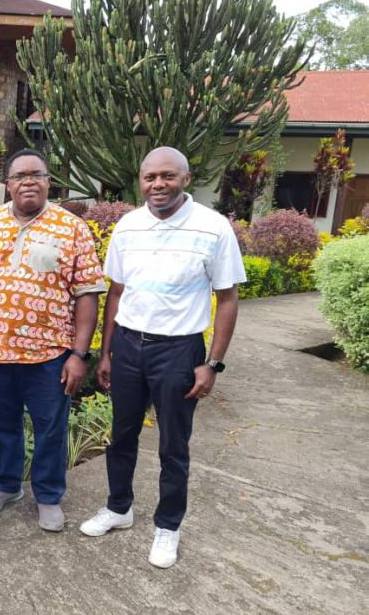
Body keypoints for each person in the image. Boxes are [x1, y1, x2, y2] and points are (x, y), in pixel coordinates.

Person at [78, 146, 246, 568]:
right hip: (129, 347)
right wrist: (107, 351)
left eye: (167, 176)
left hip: (178, 350)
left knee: (174, 446)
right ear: (141, 180)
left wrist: (212, 363)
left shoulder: (213, 228)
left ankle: (168, 526)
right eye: (150, 177)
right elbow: (116, 292)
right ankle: (119, 508)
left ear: (185, 179)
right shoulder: (128, 226)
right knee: (121, 437)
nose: (157, 184)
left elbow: (227, 298)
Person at [0, 148, 107, 532]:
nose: (28, 181)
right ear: (7, 184)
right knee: (1, 424)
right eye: (19, 175)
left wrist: (79, 354)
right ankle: (8, 485)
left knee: (50, 428)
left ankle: (47, 495)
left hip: (50, 355)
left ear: (48, 181)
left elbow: (87, 294)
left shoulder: (71, 228)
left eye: (36, 174)